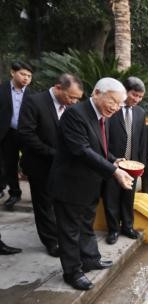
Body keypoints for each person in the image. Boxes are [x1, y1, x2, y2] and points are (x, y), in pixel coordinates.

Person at [49, 77, 133, 291]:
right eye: (112, 101)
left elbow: (97, 147)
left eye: (119, 104)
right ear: (97, 93)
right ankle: (73, 272)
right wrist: (114, 171)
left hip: (89, 184)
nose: (115, 108)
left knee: (86, 224)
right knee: (69, 230)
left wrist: (113, 159)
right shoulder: (75, 114)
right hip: (70, 185)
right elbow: (81, 150)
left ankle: (90, 258)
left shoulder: (101, 117)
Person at [18, 74, 84, 257]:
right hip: (40, 164)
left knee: (61, 203)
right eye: (71, 97)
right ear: (58, 88)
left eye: (77, 98)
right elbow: (26, 134)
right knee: (44, 204)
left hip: (64, 167)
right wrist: (53, 153)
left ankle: (64, 236)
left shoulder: (71, 107)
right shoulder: (34, 102)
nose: (74, 102)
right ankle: (51, 241)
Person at [102, 77, 147, 245]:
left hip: (133, 166)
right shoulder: (111, 110)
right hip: (113, 163)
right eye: (134, 94)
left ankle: (127, 227)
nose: (136, 99)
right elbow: (103, 139)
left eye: (140, 97)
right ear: (124, 91)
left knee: (128, 198)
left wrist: (140, 165)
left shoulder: (140, 113)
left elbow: (142, 141)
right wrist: (111, 159)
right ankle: (113, 230)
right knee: (111, 197)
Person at [0, 61, 33, 210]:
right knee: (9, 164)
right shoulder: (2, 90)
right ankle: (14, 193)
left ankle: (36, 194)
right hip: (8, 133)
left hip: (27, 134)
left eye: (29, 76)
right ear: (13, 73)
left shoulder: (33, 94)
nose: (26, 78)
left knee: (31, 164)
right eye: (23, 74)